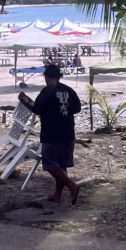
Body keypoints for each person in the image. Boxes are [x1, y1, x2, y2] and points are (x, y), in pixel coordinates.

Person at [19, 64, 81, 205]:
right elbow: (77, 108)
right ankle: (57, 195)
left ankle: (72, 186)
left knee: (50, 164)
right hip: (68, 132)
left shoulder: (47, 91)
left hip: (52, 133)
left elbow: (37, 109)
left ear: (47, 77)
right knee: (61, 165)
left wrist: (24, 99)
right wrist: (64, 110)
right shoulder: (69, 90)